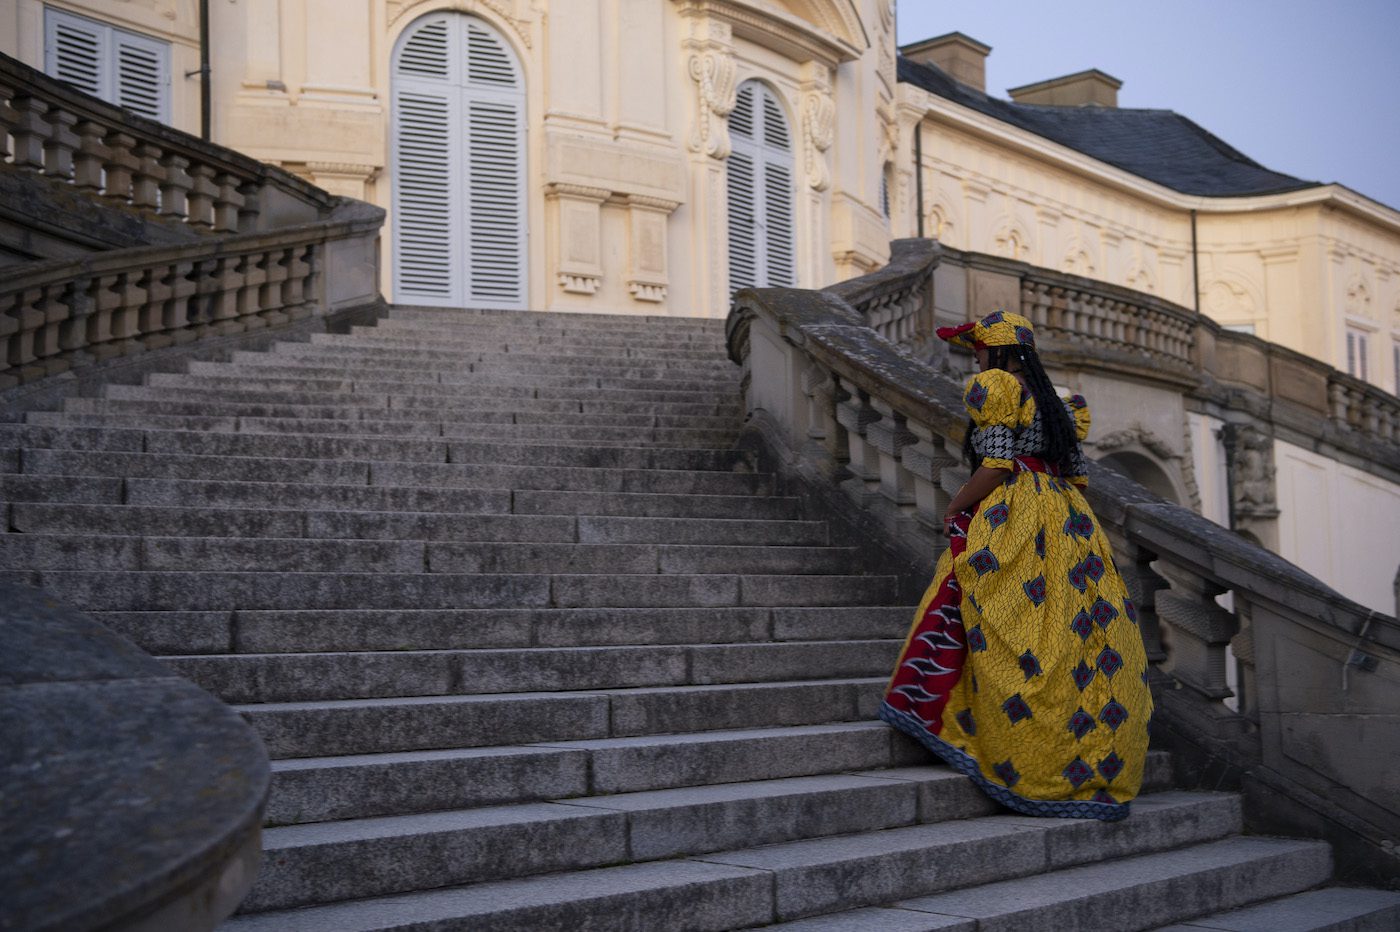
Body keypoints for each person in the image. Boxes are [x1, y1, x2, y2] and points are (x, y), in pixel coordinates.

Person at [878, 310, 1153, 820]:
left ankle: (1001, 741)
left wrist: (959, 503)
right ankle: (1082, 750)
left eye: (979, 349)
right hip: (1070, 519)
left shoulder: (996, 386)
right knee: (1068, 630)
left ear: (998, 352)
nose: (976, 357)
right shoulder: (1062, 405)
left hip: (1016, 508)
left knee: (1000, 614)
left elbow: (998, 464)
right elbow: (1077, 476)